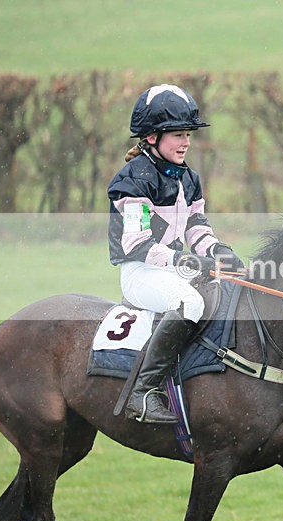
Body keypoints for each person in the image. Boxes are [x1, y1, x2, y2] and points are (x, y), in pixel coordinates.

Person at [107, 84, 244, 424]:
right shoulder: (132, 180)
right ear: (151, 137)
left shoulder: (189, 178)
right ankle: (142, 394)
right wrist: (188, 262)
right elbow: (136, 244)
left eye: (188, 135)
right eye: (177, 135)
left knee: (228, 292)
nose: (185, 142)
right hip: (139, 273)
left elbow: (196, 227)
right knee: (190, 304)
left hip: (170, 271)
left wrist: (219, 251)